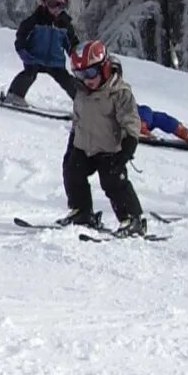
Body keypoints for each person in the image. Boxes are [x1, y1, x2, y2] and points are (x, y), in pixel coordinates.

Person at [62, 39, 150, 236]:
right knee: (72, 172)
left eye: (91, 73)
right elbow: (79, 118)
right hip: (84, 146)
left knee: (113, 182)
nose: (87, 79)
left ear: (105, 67)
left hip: (111, 150)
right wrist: (73, 141)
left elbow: (131, 121)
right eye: (80, 74)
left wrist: (128, 147)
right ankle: (82, 211)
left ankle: (132, 219)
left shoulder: (119, 93)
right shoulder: (82, 92)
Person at [6, 0, 79, 105]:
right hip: (35, 58)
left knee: (67, 80)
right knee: (29, 75)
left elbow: (72, 43)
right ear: (44, 3)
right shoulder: (35, 21)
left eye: (61, 6)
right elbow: (21, 36)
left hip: (55, 61)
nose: (56, 10)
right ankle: (14, 96)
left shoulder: (65, 24)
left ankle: (84, 104)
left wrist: (76, 55)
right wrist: (23, 51)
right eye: (52, 4)